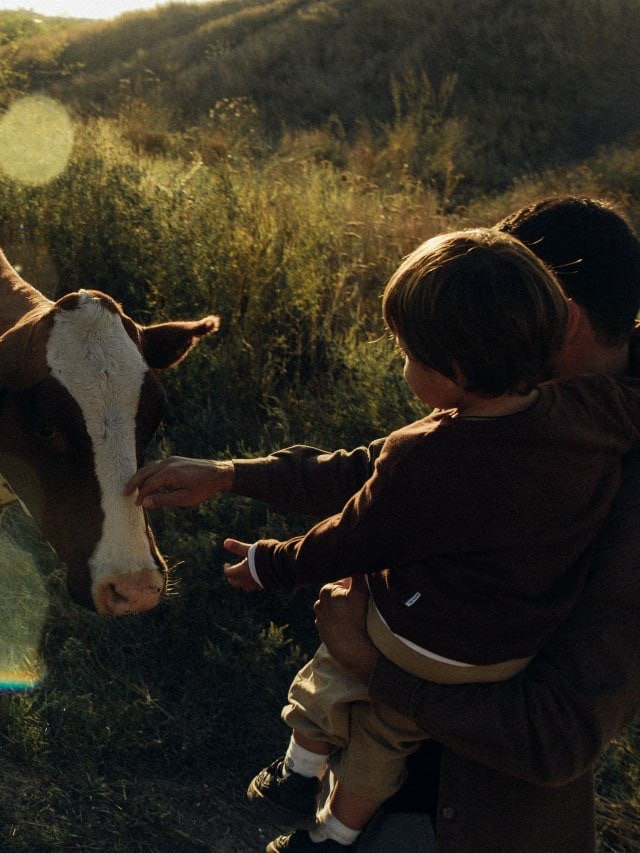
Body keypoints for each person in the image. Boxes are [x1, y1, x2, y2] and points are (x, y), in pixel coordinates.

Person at [126, 195, 640, 851]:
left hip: (471, 825)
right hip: (397, 802)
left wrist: (373, 667)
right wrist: (230, 473)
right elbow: (381, 471)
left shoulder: (619, 487)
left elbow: (555, 737)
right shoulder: (504, 403)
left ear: (559, 321)